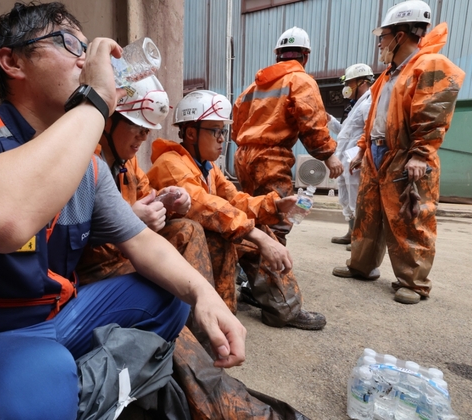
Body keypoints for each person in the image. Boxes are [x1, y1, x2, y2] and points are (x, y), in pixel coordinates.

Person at [0, 3, 246, 419]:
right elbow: (3, 220)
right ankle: (65, 389)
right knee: (38, 386)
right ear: (12, 61)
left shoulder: (89, 167)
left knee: (172, 295)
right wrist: (96, 100)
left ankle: (70, 386)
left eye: (88, 47)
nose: (87, 60)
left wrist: (203, 293)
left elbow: (141, 241)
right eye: (68, 43)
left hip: (55, 322)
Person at [147, 90, 327, 330]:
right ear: (191, 133)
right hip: (174, 247)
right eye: (215, 131)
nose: (222, 139)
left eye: (223, 131)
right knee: (221, 237)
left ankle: (283, 309)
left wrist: (273, 204)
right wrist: (257, 235)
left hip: (195, 238)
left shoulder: (208, 167)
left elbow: (235, 200)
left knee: (255, 228)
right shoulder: (170, 164)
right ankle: (219, 321)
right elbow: (205, 206)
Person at [332, 0, 465, 304]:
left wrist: (420, 153)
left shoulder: (429, 65)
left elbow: (434, 111)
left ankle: (414, 283)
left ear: (400, 35)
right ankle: (362, 266)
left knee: (410, 217)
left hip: (407, 155)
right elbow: (374, 120)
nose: (380, 42)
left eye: (383, 36)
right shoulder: (389, 75)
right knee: (369, 212)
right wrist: (363, 150)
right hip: (378, 155)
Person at [76, 75, 214, 286]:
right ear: (107, 120)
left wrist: (168, 202)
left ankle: (209, 316)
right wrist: (129, 219)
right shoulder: (82, 163)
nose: (144, 136)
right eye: (137, 126)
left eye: (147, 129)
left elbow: (146, 199)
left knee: (188, 230)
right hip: (94, 269)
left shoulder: (128, 164)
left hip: (126, 255)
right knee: (170, 277)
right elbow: (70, 234)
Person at [232, 26, 343, 245]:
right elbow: (310, 120)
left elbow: (237, 122)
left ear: (277, 55)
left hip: (243, 156)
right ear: (306, 55)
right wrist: (328, 155)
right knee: (277, 215)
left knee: (253, 210)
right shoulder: (301, 81)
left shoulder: (254, 86)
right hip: (270, 159)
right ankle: (267, 274)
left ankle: (248, 265)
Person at [326, 64, 374, 249]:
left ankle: (359, 237)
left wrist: (362, 154)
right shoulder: (355, 105)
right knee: (345, 195)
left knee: (356, 196)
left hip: (356, 156)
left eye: (349, 82)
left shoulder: (368, 102)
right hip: (346, 156)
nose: (347, 86)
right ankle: (351, 232)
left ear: (361, 81)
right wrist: (329, 120)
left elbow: (370, 130)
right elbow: (344, 132)